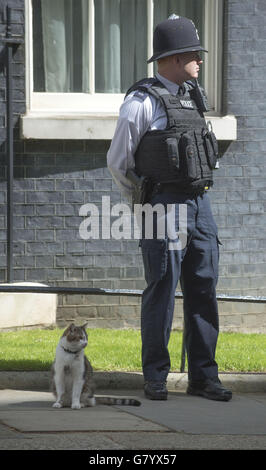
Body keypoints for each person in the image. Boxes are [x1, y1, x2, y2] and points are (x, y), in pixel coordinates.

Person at [107, 15, 232, 402]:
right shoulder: (141, 102)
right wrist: (140, 202)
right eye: (195, 53)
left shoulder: (192, 94)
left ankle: (203, 377)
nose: (200, 60)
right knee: (162, 289)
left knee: (203, 287)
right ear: (176, 58)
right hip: (163, 206)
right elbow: (118, 162)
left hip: (199, 204)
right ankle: (156, 376)